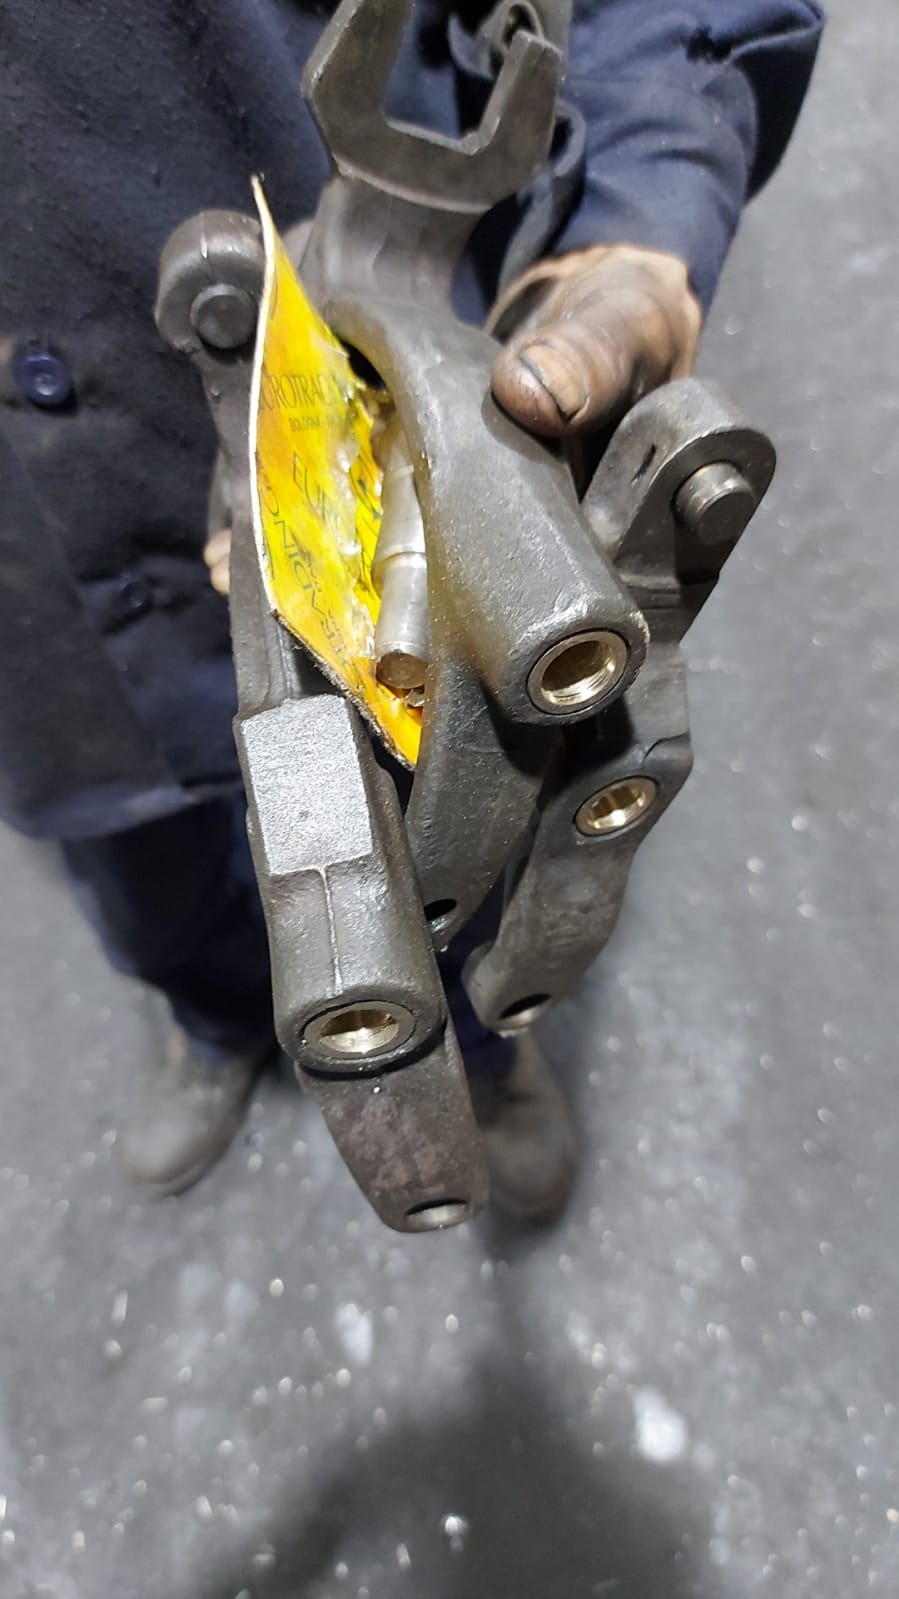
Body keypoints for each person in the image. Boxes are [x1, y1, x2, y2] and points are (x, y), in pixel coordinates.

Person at [0, 0, 823, 1219]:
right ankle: (214, 1025)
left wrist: (644, 208)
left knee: (460, 829)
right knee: (148, 885)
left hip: (393, 406)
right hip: (39, 621)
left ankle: (484, 1054)